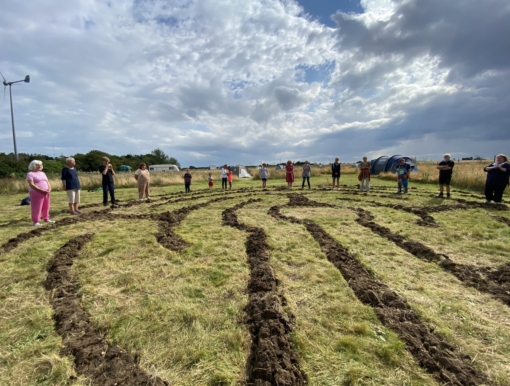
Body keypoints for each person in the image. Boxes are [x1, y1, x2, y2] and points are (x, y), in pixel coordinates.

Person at [26, 160, 55, 226]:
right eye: (37, 165)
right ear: (33, 166)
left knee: (46, 206)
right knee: (37, 207)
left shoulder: (43, 173)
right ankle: (36, 221)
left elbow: (47, 182)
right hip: (36, 192)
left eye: (40, 165)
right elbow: (32, 184)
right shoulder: (30, 174)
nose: (39, 166)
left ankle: (46, 218)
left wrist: (49, 188)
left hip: (46, 192)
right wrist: (41, 190)